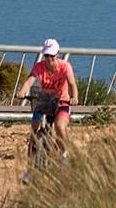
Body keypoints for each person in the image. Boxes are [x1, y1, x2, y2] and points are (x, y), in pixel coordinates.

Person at [14, 38, 78, 183]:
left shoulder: (65, 66)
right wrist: (22, 91)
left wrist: (74, 97)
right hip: (45, 101)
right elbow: (30, 80)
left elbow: (72, 83)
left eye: (52, 56)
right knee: (34, 130)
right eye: (47, 56)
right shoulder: (39, 66)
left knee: (59, 126)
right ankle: (29, 169)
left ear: (58, 55)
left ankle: (64, 154)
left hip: (61, 101)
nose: (49, 59)